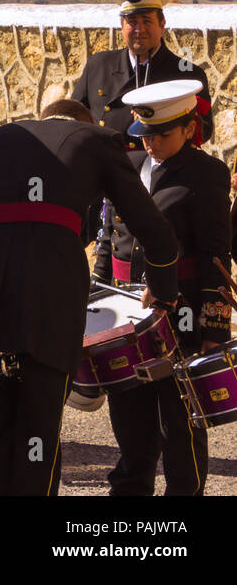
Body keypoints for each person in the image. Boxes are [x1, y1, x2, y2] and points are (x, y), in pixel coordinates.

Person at [0, 98, 179, 496]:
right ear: (83, 123)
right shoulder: (99, 139)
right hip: (46, 295)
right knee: (39, 423)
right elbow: (151, 227)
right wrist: (163, 288)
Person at [93, 80, 232, 496]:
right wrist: (97, 296)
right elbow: (108, 234)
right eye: (144, 133)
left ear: (189, 128)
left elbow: (215, 257)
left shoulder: (206, 173)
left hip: (182, 313)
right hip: (125, 312)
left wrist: (213, 332)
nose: (150, 142)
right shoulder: (128, 165)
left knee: (181, 422)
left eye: (162, 134)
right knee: (129, 417)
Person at [73, 0, 213, 149]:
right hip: (103, 165)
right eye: (132, 22)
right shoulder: (98, 64)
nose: (140, 30)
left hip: (155, 169)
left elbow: (203, 131)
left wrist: (158, 123)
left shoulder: (187, 74)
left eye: (147, 21)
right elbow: (73, 115)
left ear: (162, 25)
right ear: (122, 25)